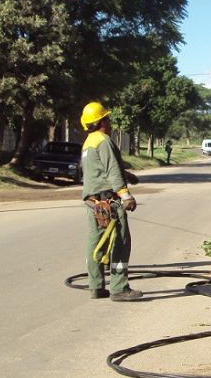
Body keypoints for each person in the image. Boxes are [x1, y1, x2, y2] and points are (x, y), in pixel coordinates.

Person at [79, 102, 142, 302]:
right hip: (110, 202)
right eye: (107, 117)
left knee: (95, 242)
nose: (110, 121)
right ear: (102, 121)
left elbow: (101, 169)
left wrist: (128, 175)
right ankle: (119, 288)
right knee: (120, 243)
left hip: (93, 202)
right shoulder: (104, 141)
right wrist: (126, 195)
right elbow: (111, 171)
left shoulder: (89, 142)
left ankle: (96, 287)